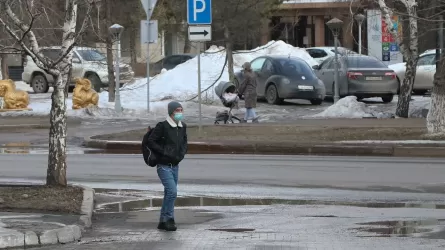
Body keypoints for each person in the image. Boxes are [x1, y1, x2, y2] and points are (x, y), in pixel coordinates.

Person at [146, 101, 188, 231]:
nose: (179, 113)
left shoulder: (182, 126)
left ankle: (163, 221)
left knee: (169, 193)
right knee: (172, 192)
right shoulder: (162, 126)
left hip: (175, 166)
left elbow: (184, 143)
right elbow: (151, 141)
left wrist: (181, 154)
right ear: (171, 112)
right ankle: (169, 218)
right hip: (163, 165)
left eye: (181, 110)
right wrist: (164, 152)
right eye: (177, 111)